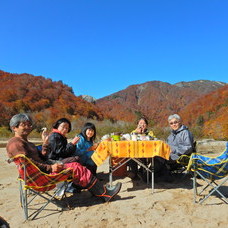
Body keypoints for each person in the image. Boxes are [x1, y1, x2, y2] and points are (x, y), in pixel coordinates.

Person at [6, 113, 122, 202]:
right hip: (41, 176)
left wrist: (45, 143)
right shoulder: (15, 144)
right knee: (77, 166)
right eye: (23, 124)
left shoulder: (25, 142)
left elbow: (42, 157)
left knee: (77, 165)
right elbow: (29, 163)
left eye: (29, 124)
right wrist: (50, 168)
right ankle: (104, 193)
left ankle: (101, 191)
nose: (27, 127)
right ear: (14, 127)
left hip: (42, 171)